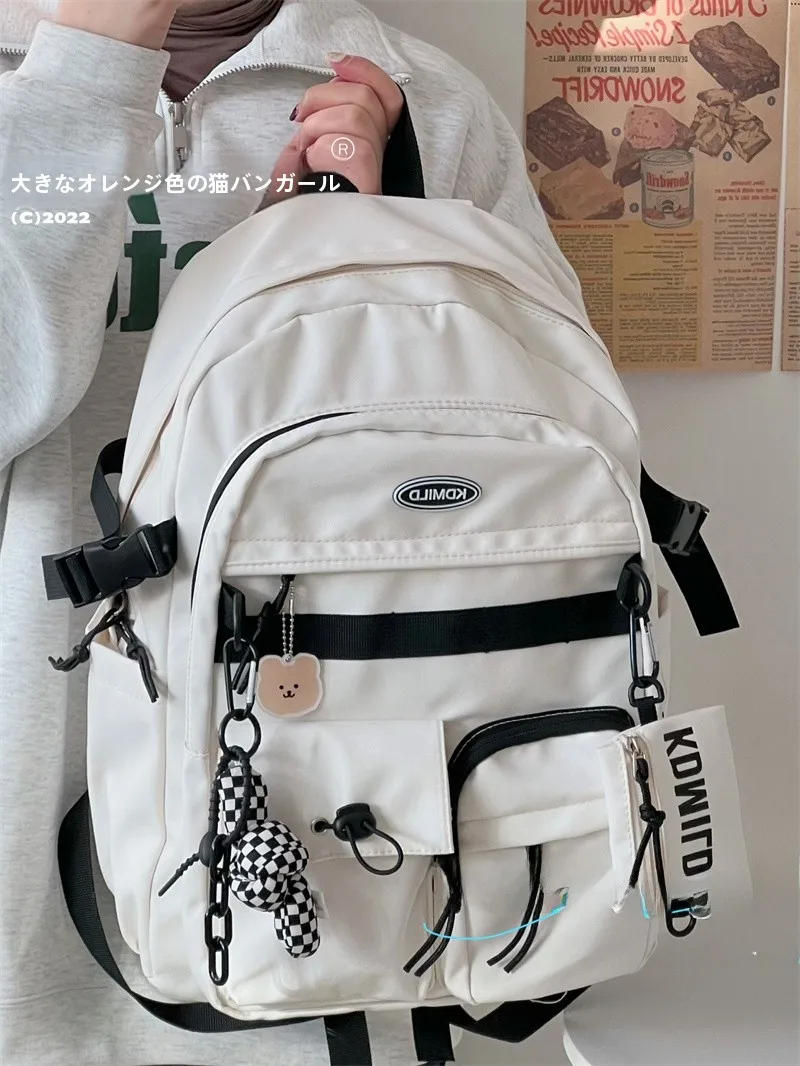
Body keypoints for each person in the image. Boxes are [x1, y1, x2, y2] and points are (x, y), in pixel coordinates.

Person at [0, 2, 579, 1063]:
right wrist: (82, 75)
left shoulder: (421, 101)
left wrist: (372, 267)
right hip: (23, 836)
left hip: (332, 866)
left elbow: (539, 483)